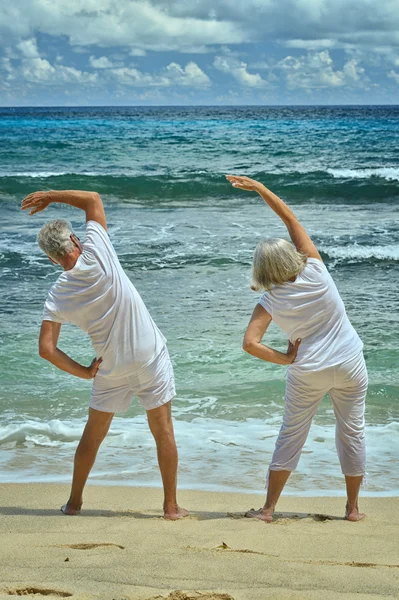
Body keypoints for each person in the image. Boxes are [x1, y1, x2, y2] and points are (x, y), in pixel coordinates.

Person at [21, 190, 188, 520]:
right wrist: (51, 196)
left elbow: (46, 350)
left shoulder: (58, 295)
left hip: (109, 367)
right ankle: (170, 507)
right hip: (149, 357)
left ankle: (74, 503)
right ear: (75, 241)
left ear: (53, 259)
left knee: (93, 435)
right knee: (163, 429)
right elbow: (93, 200)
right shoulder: (98, 251)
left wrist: (84, 372)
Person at [226, 175, 368, 522]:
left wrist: (286, 358)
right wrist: (259, 187)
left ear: (262, 270)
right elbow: (291, 219)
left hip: (308, 371)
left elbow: (250, 344)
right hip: (350, 364)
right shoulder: (317, 269)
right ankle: (352, 509)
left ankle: (269, 509)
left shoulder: (270, 300)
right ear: (290, 256)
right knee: (351, 432)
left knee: (291, 435)